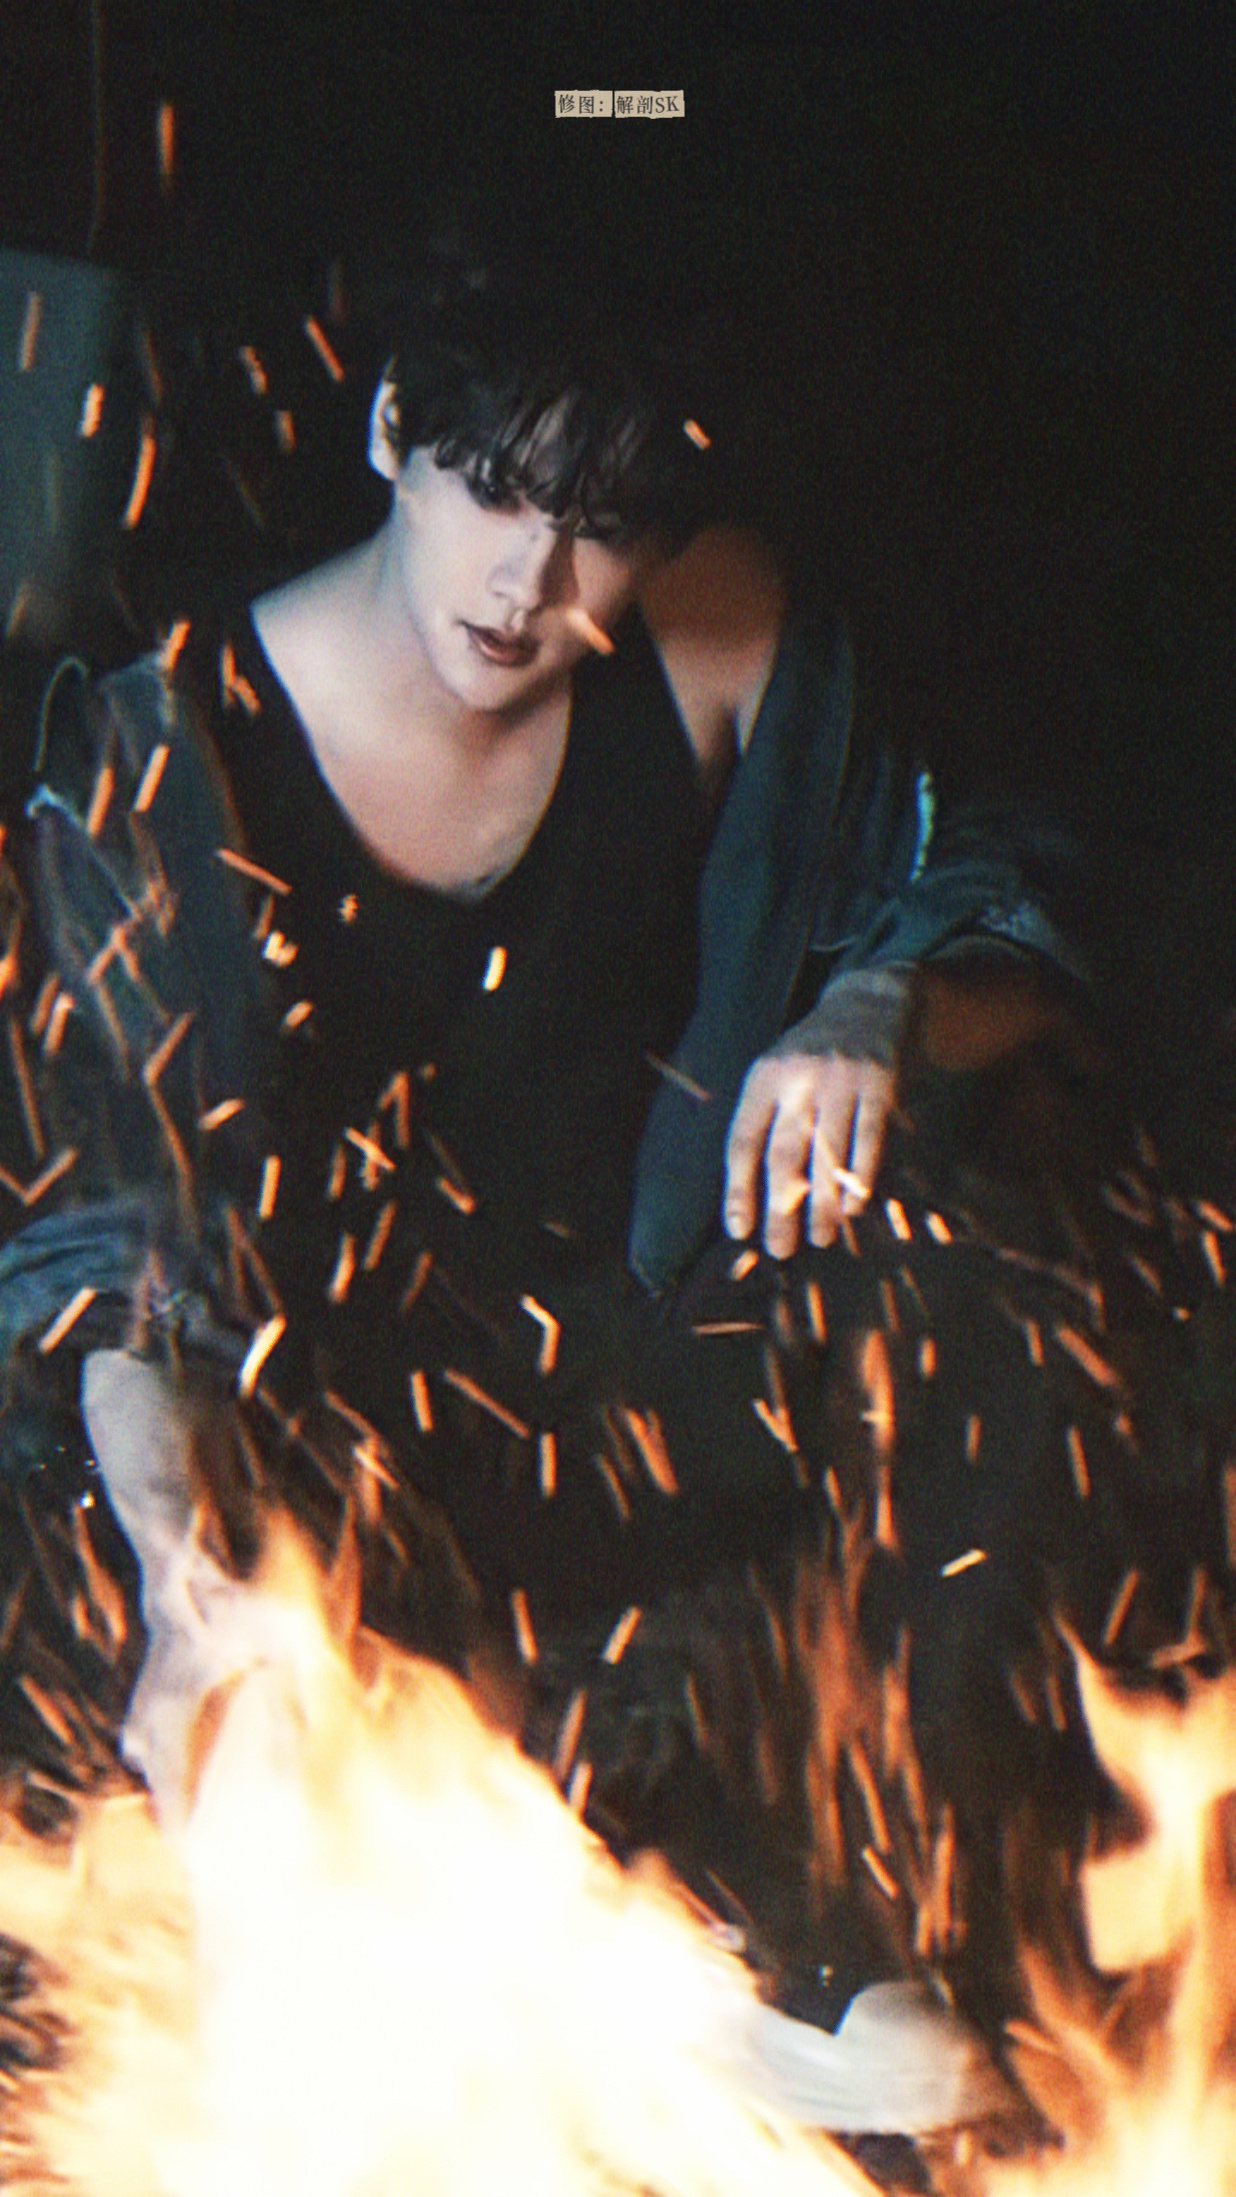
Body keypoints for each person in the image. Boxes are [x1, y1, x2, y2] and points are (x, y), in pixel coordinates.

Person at [0, 213, 1089, 1823]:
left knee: (984, 1302)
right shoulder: (163, 746)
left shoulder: (724, 640)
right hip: (293, 1450)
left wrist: (883, 995)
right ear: (393, 432)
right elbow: (112, 1256)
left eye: (599, 527)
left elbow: (1016, 911)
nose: (531, 585)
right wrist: (187, 1579)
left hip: (632, 1420)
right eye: (497, 493)